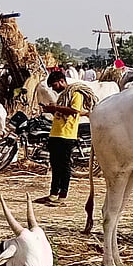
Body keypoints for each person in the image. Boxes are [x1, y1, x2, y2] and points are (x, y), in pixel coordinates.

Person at [35, 70, 90, 206]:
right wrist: (51, 110)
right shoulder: (62, 96)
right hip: (55, 133)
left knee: (64, 167)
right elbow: (61, 112)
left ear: (62, 81)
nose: (54, 89)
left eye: (54, 85)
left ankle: (62, 197)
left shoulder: (76, 93)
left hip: (67, 135)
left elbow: (74, 111)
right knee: (55, 166)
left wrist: (55, 108)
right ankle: (53, 194)